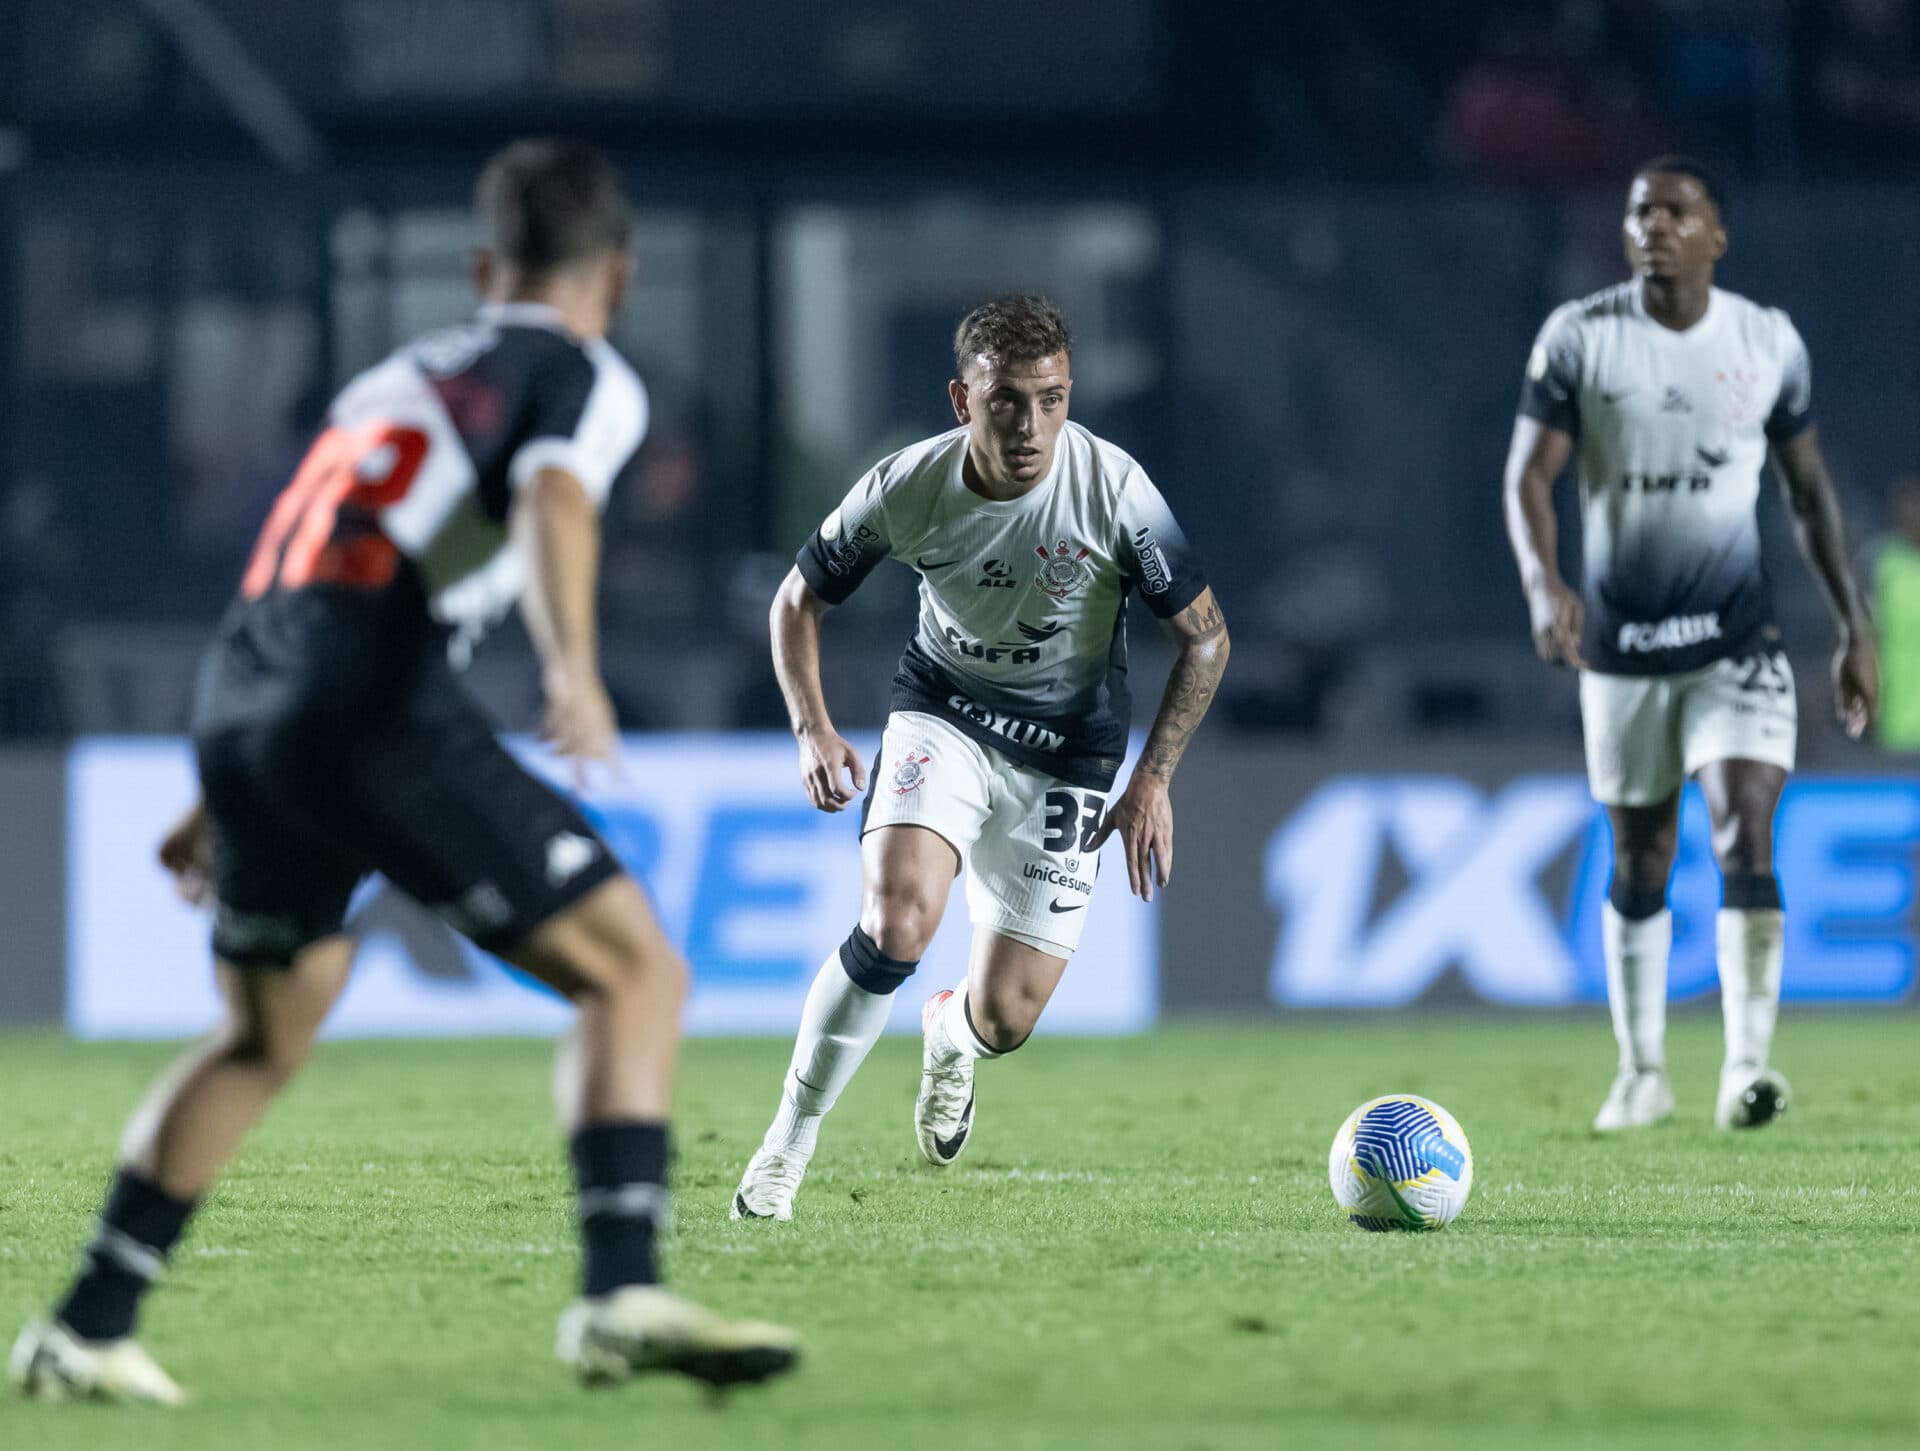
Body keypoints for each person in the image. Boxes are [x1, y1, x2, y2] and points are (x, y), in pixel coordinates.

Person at [11, 139, 796, 1405]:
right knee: (635, 971)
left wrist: (227, 774)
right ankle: (619, 1287)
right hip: (374, 704)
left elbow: (297, 553)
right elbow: (553, 499)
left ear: (484, 267)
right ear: (622, 273)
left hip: (252, 687)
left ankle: (86, 1323)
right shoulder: (585, 373)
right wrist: (576, 667)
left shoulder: (394, 377)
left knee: (261, 1031)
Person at [731, 295, 1229, 1221]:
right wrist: (812, 726)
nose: (1032, 425)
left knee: (1005, 1020)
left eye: (1052, 398)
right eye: (1008, 400)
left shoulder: (1116, 492)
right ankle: (784, 1149)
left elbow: (1205, 640)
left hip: (1071, 754)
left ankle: (948, 1037)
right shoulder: (908, 487)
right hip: (944, 715)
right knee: (896, 925)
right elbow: (797, 599)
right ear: (964, 399)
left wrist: (1151, 777)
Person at [1503, 156, 1878, 1134]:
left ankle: (1747, 1067)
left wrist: (1853, 624)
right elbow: (1528, 478)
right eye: (1640, 211)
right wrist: (1548, 586)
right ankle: (1643, 1070)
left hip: (1736, 639)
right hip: (1623, 648)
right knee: (1641, 860)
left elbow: (1807, 494)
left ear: (1718, 234)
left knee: (1744, 826)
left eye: (1678, 211)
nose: (1655, 225)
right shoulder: (1580, 337)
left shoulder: (1766, 342)